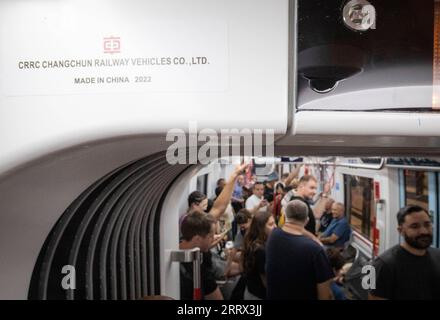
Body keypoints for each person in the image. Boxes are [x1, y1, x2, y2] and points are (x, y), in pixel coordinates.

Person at [266, 200, 334, 300]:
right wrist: (316, 240)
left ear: (284, 217)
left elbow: (292, 227)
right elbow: (324, 294)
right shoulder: (315, 250)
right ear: (306, 221)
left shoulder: (273, 235)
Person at [369, 205, 440, 300]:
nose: (424, 231)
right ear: (401, 231)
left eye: (427, 224)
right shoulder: (383, 265)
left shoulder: (437, 255)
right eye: (414, 226)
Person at [241, 211, 276, 299]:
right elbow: (266, 281)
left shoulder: (252, 242)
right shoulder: (260, 250)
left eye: (275, 223)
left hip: (251, 291)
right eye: (271, 224)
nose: (275, 227)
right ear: (261, 228)